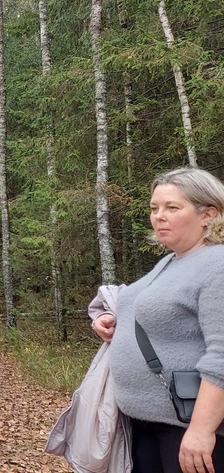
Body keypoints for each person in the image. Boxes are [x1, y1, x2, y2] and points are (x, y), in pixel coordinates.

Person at [90, 167, 224, 473]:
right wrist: (114, 321)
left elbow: (222, 355)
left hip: (192, 429)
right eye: (154, 208)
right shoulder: (172, 261)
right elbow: (158, 314)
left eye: (172, 208)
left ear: (208, 214)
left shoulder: (218, 265)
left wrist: (202, 431)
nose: (158, 216)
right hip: (147, 424)